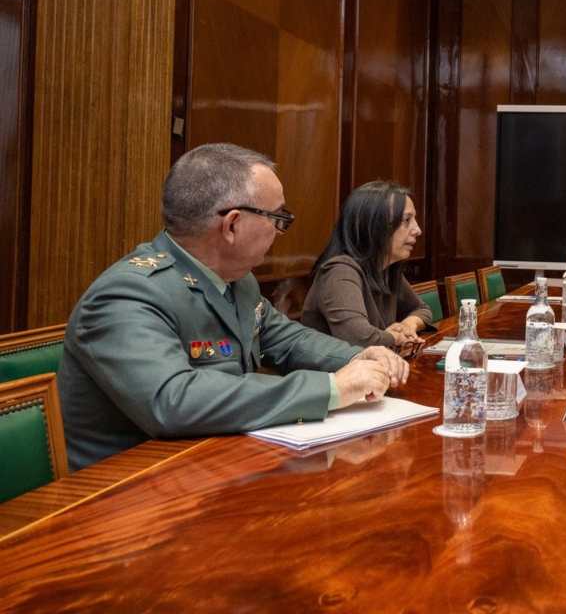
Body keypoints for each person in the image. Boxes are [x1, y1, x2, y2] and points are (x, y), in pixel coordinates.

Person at [58, 143, 409, 470]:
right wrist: (331, 389)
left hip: (210, 466)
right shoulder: (128, 294)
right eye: (278, 218)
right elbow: (174, 400)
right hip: (125, 494)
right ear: (232, 225)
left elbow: (287, 338)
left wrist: (354, 359)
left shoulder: (238, 281)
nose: (280, 231)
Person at [301, 181, 432, 355]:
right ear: (374, 226)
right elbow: (361, 338)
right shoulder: (339, 271)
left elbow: (422, 309)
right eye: (407, 220)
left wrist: (407, 325)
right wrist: (397, 338)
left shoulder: (386, 267)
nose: (418, 230)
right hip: (334, 378)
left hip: (372, 372)